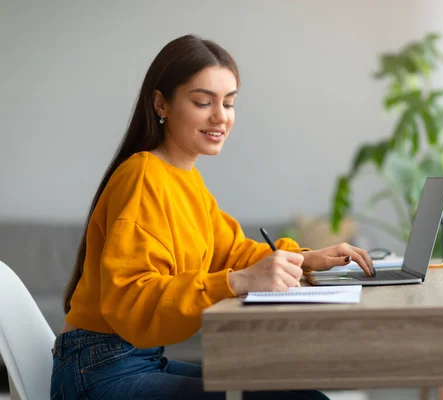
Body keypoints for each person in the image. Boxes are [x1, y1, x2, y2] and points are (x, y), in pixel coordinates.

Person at [50, 34, 375, 400]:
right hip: (98, 373)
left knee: (295, 393)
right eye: (203, 102)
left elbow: (232, 252)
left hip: (131, 362)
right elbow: (133, 298)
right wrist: (236, 282)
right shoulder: (143, 176)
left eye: (229, 103)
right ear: (161, 104)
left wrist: (305, 258)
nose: (220, 116)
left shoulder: (186, 179)